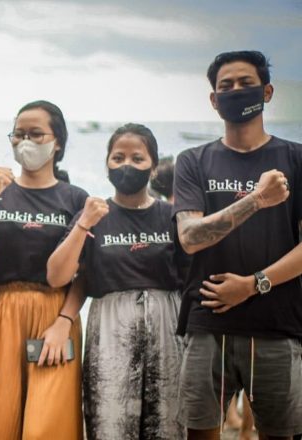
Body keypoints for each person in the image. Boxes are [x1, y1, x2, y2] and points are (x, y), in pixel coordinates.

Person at [174, 50, 302, 440]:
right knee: (200, 433)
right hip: (207, 321)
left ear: (266, 91)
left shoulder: (296, 159)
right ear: (214, 100)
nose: (235, 91)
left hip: (277, 324)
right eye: (225, 86)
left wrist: (253, 284)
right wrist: (257, 199)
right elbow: (190, 238)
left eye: (245, 83)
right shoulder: (193, 160)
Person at [0, 100, 86, 439]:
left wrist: (64, 321)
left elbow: (85, 273)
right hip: (4, 311)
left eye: (36, 133)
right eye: (18, 134)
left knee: (49, 417)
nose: (25, 141)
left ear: (57, 142)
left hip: (55, 312)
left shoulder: (74, 199)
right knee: (2, 413)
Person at [47, 123, 187, 439]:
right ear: (107, 164)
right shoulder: (95, 215)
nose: (126, 165)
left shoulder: (172, 216)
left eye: (137, 158)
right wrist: (83, 223)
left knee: (167, 424)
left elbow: (190, 278)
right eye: (118, 157)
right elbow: (59, 276)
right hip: (110, 327)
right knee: (109, 421)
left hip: (167, 325)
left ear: (153, 167)